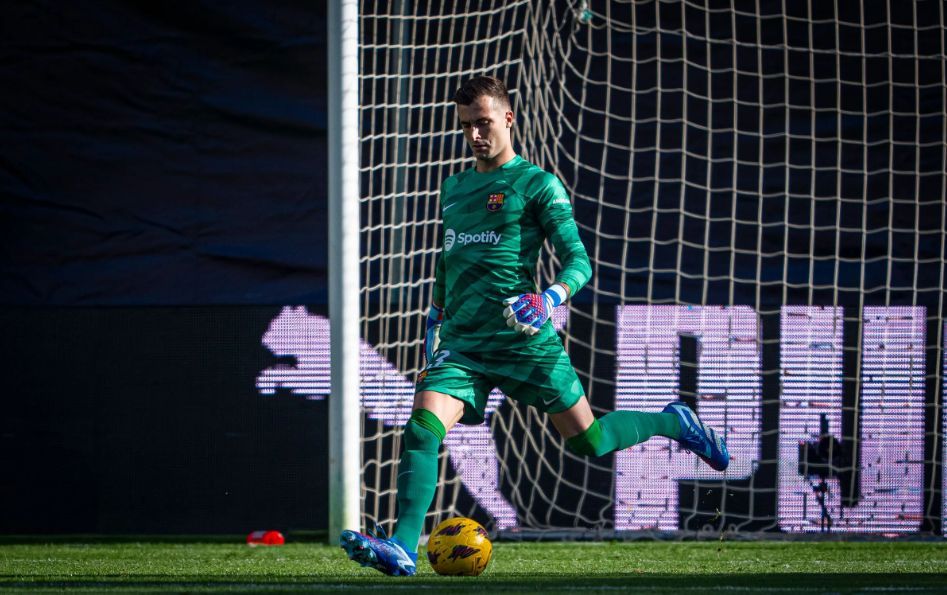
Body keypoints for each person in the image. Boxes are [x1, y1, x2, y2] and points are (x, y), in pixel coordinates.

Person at [339, 76, 729, 576]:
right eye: (466, 126)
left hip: (524, 340)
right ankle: (402, 546)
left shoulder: (538, 184)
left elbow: (579, 263)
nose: (476, 135)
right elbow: (448, 258)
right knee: (421, 428)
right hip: (464, 344)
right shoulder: (454, 187)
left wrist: (548, 299)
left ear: (507, 118)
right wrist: (435, 319)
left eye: (483, 123)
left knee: (590, 440)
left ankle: (676, 422)